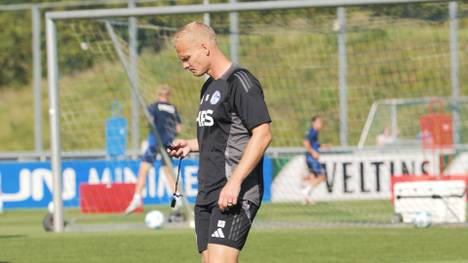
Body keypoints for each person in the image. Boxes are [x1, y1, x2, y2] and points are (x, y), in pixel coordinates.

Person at [168, 22, 272, 263]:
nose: (184, 65)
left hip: (234, 190)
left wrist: (235, 183)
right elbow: (222, 136)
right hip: (207, 192)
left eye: (186, 58)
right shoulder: (208, 87)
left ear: (205, 47)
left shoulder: (241, 82)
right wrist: (192, 145)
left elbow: (262, 134)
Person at [125, 85, 182, 215]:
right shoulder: (173, 109)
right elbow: (178, 128)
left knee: (143, 170)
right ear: (169, 95)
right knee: (169, 173)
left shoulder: (154, 106)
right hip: (168, 143)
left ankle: (137, 199)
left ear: (158, 95)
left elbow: (149, 121)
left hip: (155, 142)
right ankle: (176, 203)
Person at [302, 115, 326, 204]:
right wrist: (313, 152)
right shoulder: (312, 131)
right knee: (322, 175)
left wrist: (324, 146)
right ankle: (305, 190)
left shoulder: (315, 132)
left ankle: (307, 198)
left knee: (313, 177)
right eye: (319, 122)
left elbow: (314, 144)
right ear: (313, 123)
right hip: (311, 158)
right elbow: (305, 142)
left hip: (310, 157)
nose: (321, 124)